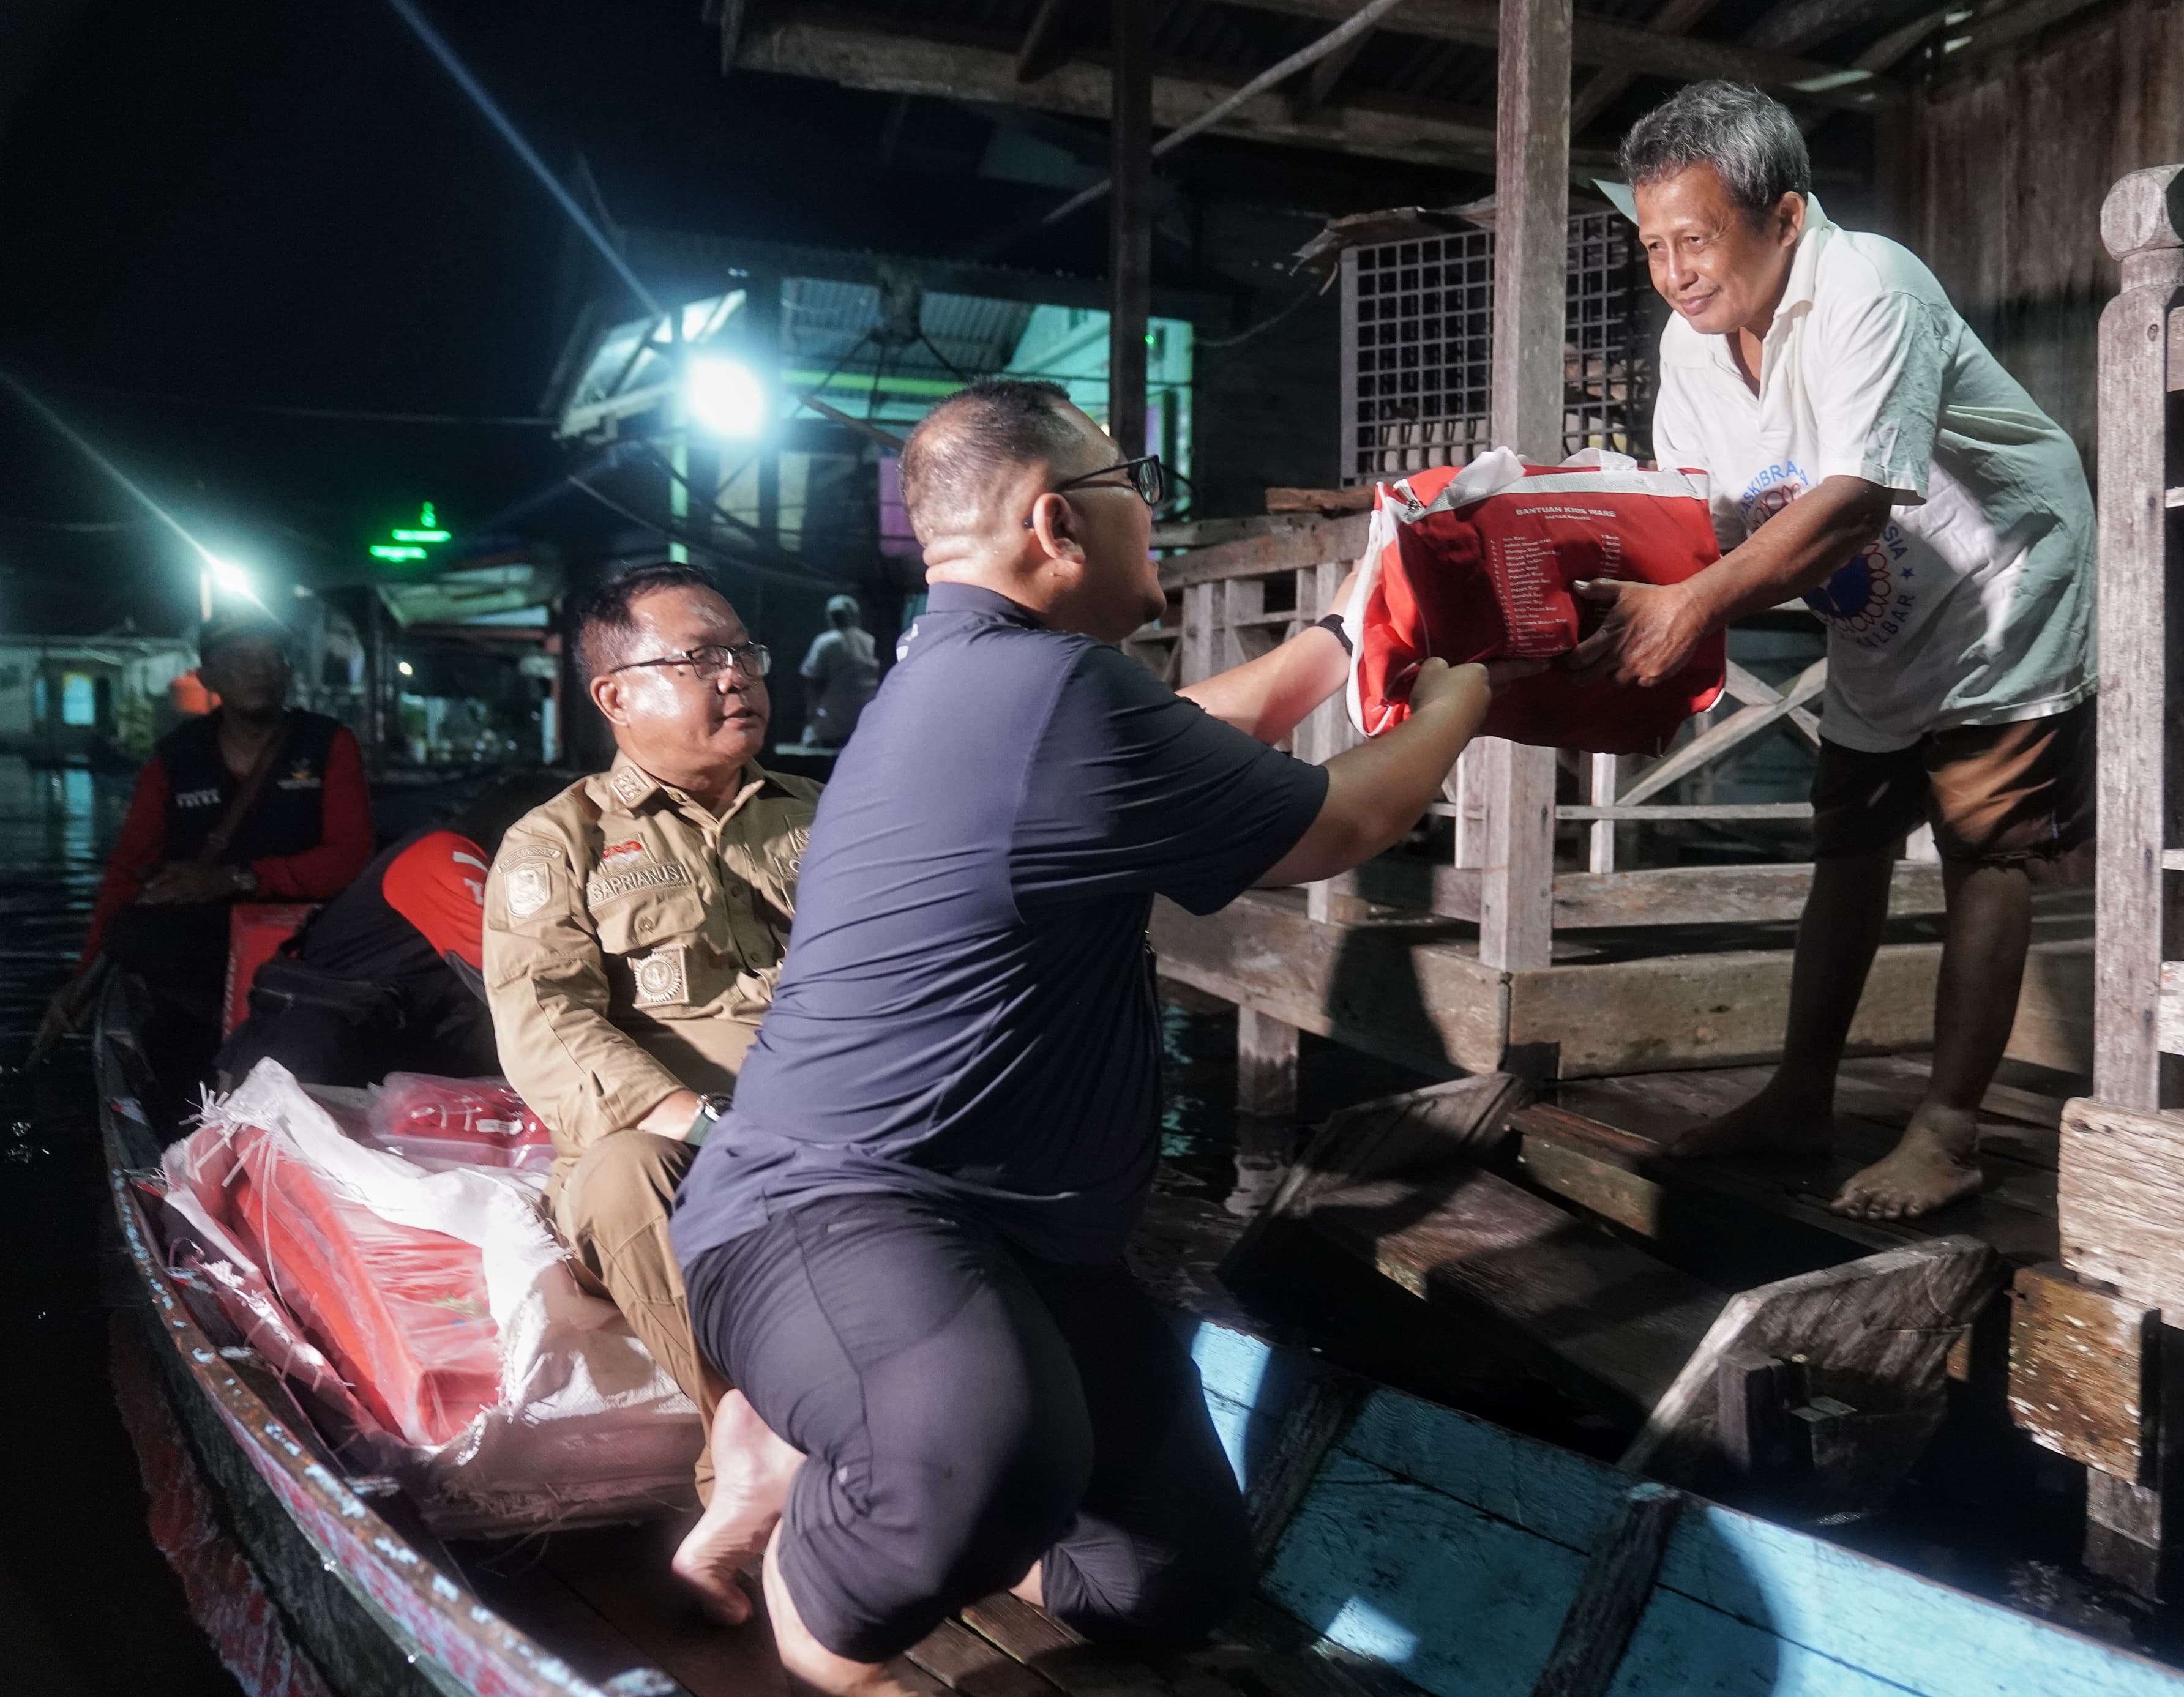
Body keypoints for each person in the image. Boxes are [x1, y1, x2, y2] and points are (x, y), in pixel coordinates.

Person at [664, 379, 1513, 1692]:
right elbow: (1339, 824)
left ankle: (847, 1454)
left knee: (1165, 1583)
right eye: (1141, 492)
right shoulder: (1043, 691)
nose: (1155, 525)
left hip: (1020, 1238)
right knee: (984, 1454)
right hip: (832, 1210)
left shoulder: (984, 679)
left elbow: (1204, 735)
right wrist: (1473, 688)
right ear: (1058, 521)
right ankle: (815, 1602)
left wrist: (1358, 625)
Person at [1570, 82, 2096, 1221]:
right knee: (1849, 835)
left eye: (1697, 240)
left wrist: (1692, 605)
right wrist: (1578, 568)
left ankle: (1948, 1130)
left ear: (1787, 217)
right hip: (1877, 598)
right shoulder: (1693, 343)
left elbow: (1855, 501)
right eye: (1656, 245)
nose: (1675, 271)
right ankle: (1800, 1095)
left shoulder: (1870, 285)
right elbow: (1696, 517)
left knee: (1984, 840)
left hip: (2000, 569)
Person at [481, 564, 823, 1498]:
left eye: (745, 653)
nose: (737, 676)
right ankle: (741, 1453)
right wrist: (709, 1124)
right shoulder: (560, 840)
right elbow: (546, 1020)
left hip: (835, 1119)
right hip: (675, 1144)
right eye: (701, 657)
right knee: (624, 1174)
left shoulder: (826, 815)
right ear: (617, 694)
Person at [47, 607, 372, 1086]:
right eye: (239, 657)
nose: (258, 667)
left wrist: (240, 877)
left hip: (305, 935)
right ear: (208, 676)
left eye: (269, 656)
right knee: (134, 935)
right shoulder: (175, 759)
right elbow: (128, 869)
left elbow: (350, 857)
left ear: (287, 670)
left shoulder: (328, 744)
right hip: (202, 951)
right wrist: (82, 976)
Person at [217, 769, 570, 1087]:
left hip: (365, 1054)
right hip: (302, 1068)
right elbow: (525, 979)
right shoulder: (444, 856)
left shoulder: (497, 873)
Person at [798, 592, 879, 747]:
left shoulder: (826, 642)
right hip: (868, 723)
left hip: (833, 728)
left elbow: (812, 681)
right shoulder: (871, 642)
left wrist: (811, 714)